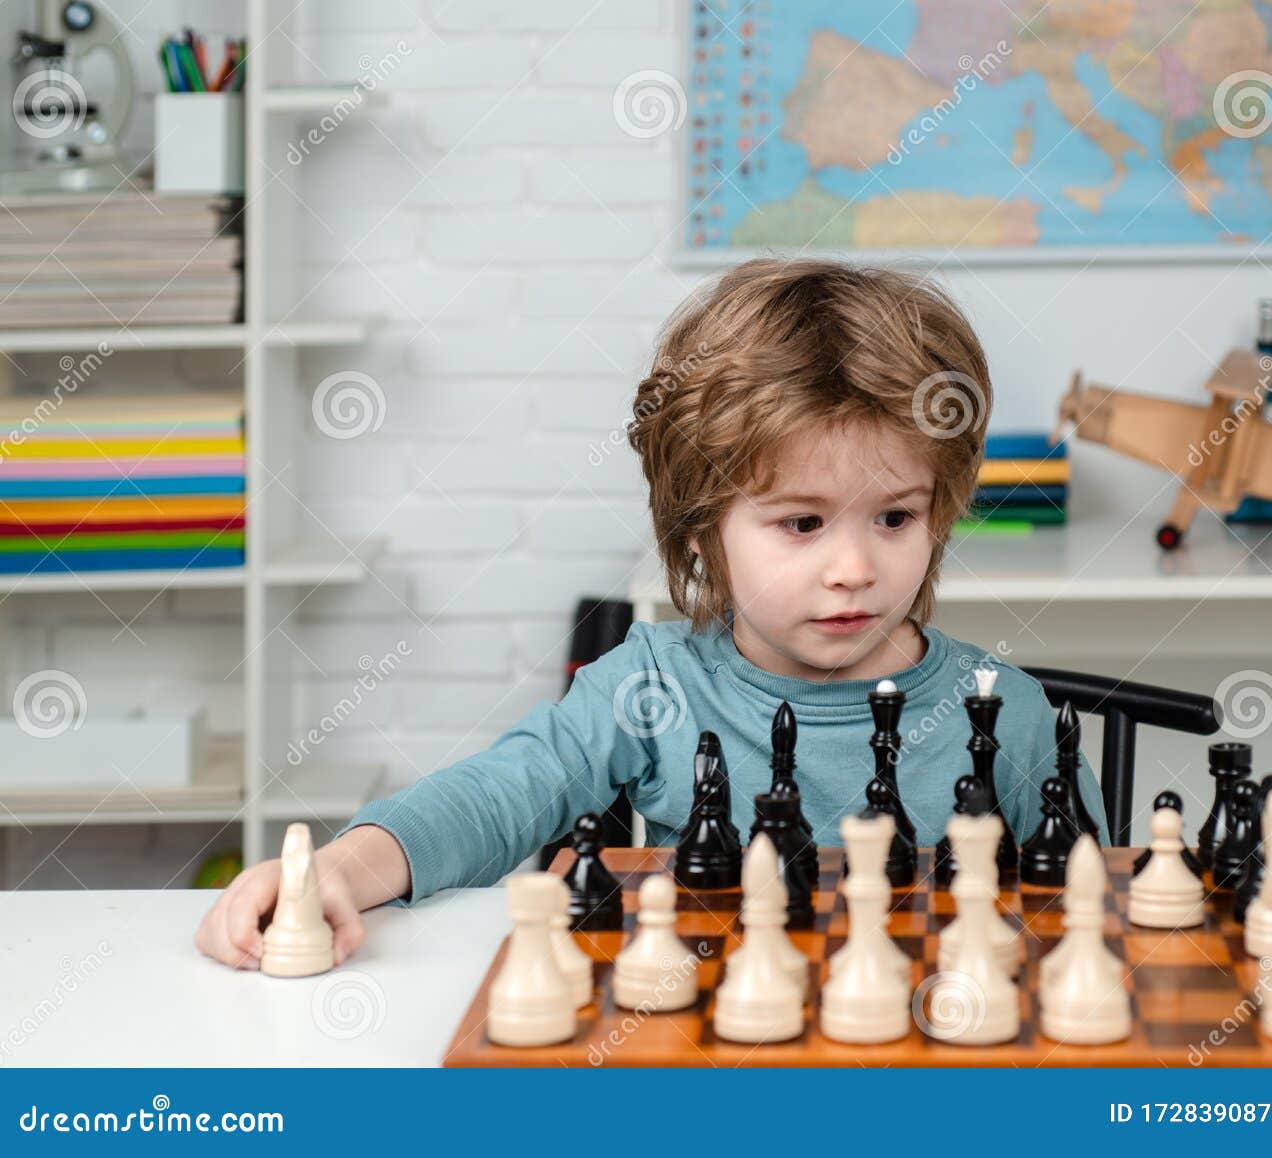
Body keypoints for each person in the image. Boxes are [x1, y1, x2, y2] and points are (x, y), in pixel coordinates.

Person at [194, 257, 1104, 969]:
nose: (855, 569)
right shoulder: (654, 686)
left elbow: (1104, 920)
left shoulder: (1009, 714)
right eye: (801, 522)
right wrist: (345, 871)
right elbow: (501, 794)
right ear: (702, 530)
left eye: (896, 517)